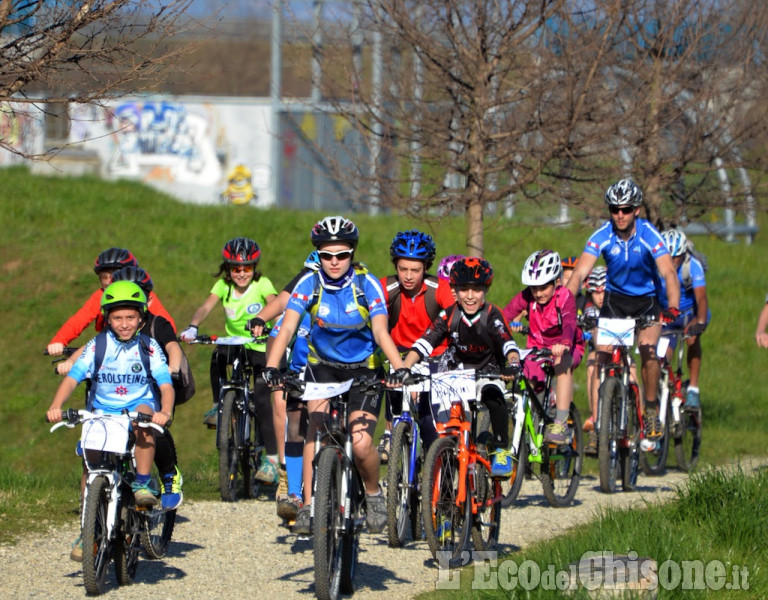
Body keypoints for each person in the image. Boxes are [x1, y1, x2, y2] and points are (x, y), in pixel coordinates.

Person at [263, 216, 407, 536]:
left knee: (361, 443)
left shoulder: (366, 284)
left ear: (352, 253)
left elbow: (381, 332)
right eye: (327, 255)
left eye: (341, 254)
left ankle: (373, 495)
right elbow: (287, 327)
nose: (334, 262)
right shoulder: (309, 283)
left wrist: (399, 367)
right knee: (318, 428)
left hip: (363, 369)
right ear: (319, 255)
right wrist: (273, 368)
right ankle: (311, 504)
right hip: (324, 365)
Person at [46, 282, 175, 556]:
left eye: (130, 317)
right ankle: (88, 527)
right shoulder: (97, 345)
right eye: (117, 318)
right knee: (89, 463)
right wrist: (56, 405)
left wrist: (166, 410)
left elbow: (165, 385)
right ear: (107, 318)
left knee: (145, 419)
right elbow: (72, 378)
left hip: (136, 407)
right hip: (103, 410)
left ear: (141, 317)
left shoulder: (149, 347)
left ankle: (141, 482)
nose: (124, 324)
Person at [566, 179, 681, 442]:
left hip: (647, 301)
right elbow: (580, 273)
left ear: (637, 210)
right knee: (600, 356)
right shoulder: (601, 235)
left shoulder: (649, 234)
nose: (620, 215)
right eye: (615, 209)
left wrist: (672, 307)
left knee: (648, 350)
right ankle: (598, 421)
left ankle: (650, 408)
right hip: (615, 301)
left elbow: (669, 273)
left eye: (626, 209)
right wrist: (567, 306)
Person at [403, 257, 521, 478]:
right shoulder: (448, 315)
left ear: (485, 290)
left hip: (488, 371)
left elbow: (507, 343)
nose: (470, 296)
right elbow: (425, 342)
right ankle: (444, 471)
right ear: (454, 290)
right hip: (457, 374)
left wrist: (513, 364)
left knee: (494, 396)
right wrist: (405, 367)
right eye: (463, 289)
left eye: (476, 290)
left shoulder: (491, 314)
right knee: (445, 426)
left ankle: (501, 449)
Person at [179, 237, 280, 484]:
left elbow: (275, 305)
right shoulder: (222, 286)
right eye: (236, 269)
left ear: (255, 268)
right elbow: (205, 307)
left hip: (258, 345)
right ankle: (218, 405)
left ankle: (272, 459)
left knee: (263, 398)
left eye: (248, 268)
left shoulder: (263, 283)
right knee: (216, 357)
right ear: (228, 269)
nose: (242, 274)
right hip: (234, 344)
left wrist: (275, 329)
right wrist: (193, 326)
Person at [248, 251, 318, 523]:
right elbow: (280, 306)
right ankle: (286, 472)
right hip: (297, 369)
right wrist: (261, 320)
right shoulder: (299, 297)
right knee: (280, 402)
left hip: (327, 372)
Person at [377, 230, 456, 463]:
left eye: (415, 270)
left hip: (434, 354)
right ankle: (390, 435)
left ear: (426, 267)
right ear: (395, 266)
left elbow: (453, 316)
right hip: (398, 354)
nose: (408, 276)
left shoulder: (439, 288)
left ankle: (435, 459)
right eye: (403, 269)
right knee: (393, 392)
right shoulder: (386, 288)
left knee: (428, 418)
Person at [503, 250, 582, 444]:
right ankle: (523, 424)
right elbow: (504, 316)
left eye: (543, 287)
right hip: (536, 349)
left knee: (560, 363)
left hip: (567, 347)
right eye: (533, 288)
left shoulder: (564, 298)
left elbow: (570, 323)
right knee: (522, 378)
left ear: (556, 281)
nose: (538, 293)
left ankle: (560, 423)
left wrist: (563, 344)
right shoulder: (526, 297)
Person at [47, 247, 176, 357]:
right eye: (104, 276)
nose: (108, 281)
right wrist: (59, 341)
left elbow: (167, 325)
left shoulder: (143, 297)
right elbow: (79, 320)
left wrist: (165, 344)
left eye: (114, 275)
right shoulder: (101, 296)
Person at [658, 229, 710, 409]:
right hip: (667, 315)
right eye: (667, 256)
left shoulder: (691, 266)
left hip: (690, 312)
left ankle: (693, 389)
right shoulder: (654, 266)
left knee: (691, 338)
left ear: (682, 254)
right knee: (661, 356)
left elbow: (701, 298)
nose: (671, 262)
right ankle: (665, 390)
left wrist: (700, 322)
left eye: (676, 257)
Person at [580, 266, 607, 455]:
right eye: (595, 292)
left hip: (620, 348)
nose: (600, 297)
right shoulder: (590, 308)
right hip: (599, 349)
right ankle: (596, 421)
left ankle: (642, 416)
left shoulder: (620, 301)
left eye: (604, 291)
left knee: (631, 371)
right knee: (592, 366)